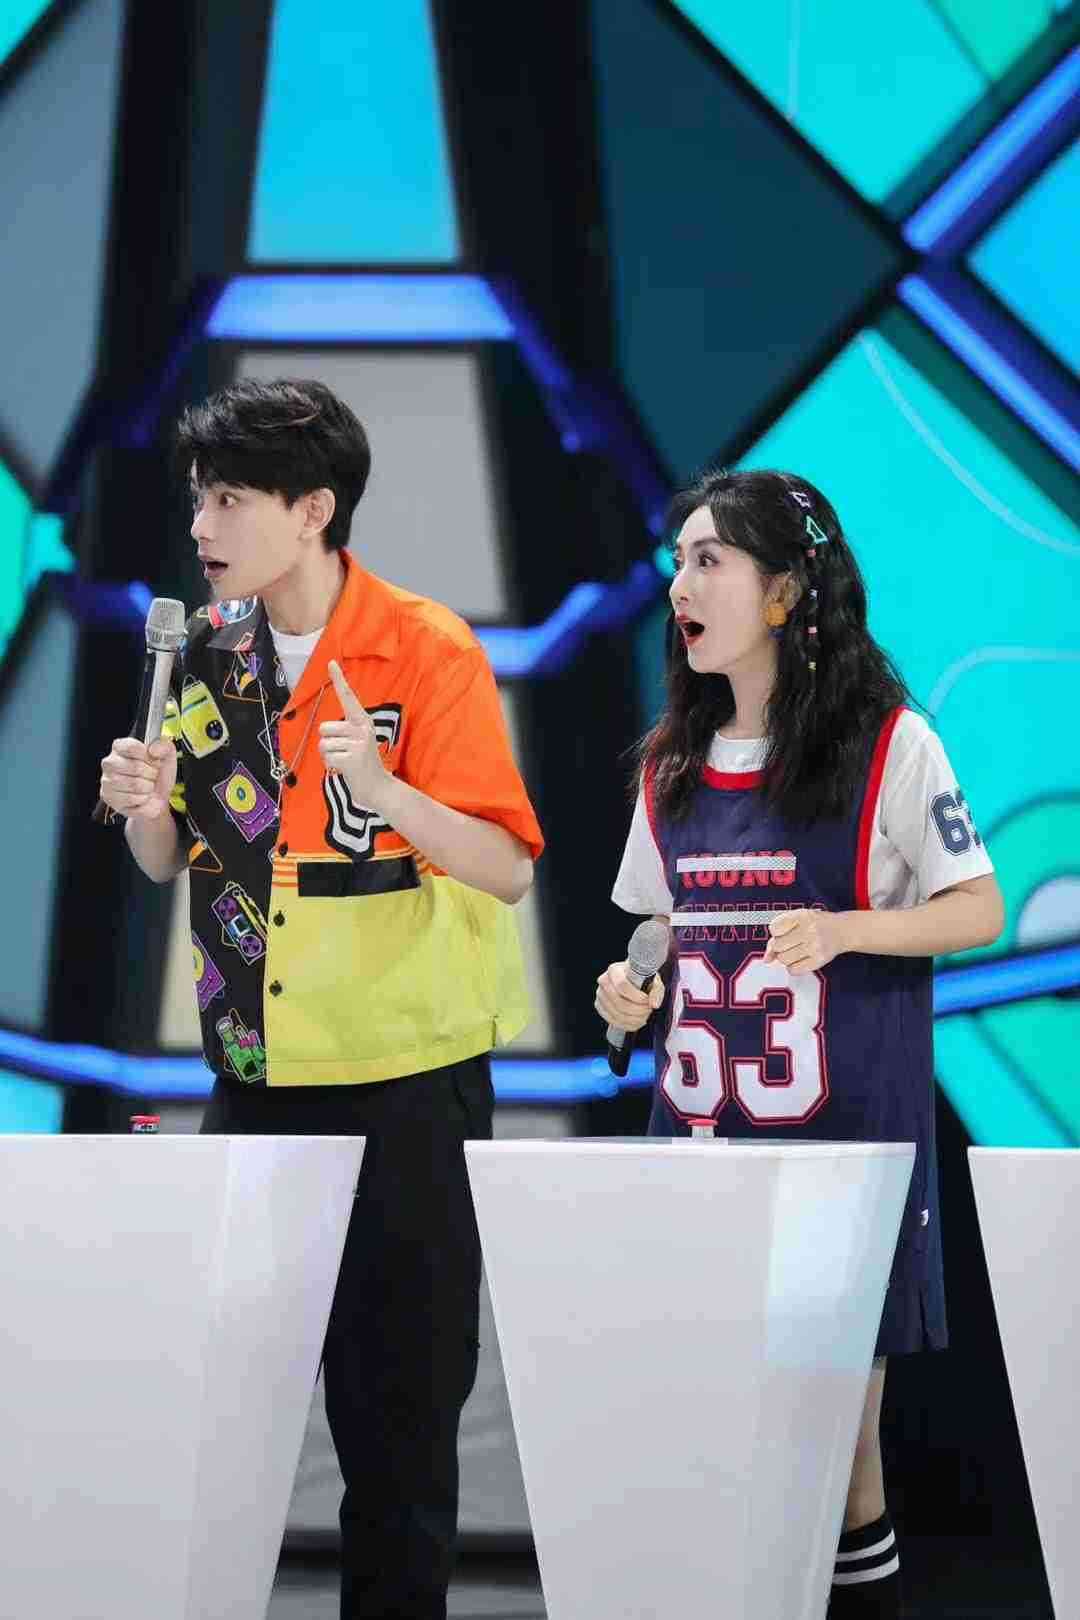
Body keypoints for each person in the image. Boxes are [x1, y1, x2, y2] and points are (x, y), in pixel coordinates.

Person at [97, 377, 544, 1620]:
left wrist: (388, 791)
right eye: (199, 496)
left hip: (406, 1086)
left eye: (230, 498)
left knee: (399, 1433)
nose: (202, 524)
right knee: (225, 1423)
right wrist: (145, 810)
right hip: (252, 1076)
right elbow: (171, 859)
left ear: (314, 511)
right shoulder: (203, 653)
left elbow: (506, 867)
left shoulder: (426, 647)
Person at [594, 468, 1003, 1618]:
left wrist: (846, 930)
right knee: (714, 1451)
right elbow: (655, 936)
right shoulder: (669, 765)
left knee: (839, 1458)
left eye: (710, 560)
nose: (680, 585)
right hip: (700, 1159)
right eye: (678, 561)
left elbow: (979, 908)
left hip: (843, 1159)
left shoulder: (890, 747)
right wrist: (628, 993)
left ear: (784, 593)